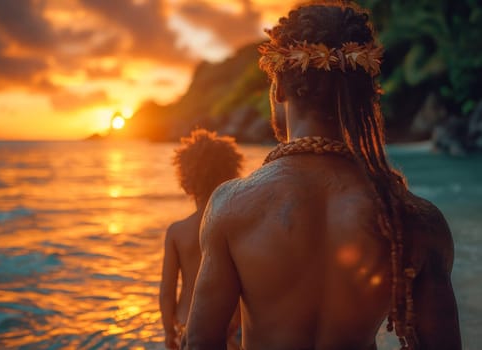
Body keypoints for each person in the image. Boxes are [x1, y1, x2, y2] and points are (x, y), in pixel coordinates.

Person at [184, 2, 462, 350]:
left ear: (280, 88)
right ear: (364, 93)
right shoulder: (415, 219)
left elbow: (200, 342)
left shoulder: (229, 206)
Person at [159, 128, 243, 350]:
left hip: (185, 325)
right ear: (230, 175)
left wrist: (169, 331)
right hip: (230, 326)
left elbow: (167, 292)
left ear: (185, 180)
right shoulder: (235, 228)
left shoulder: (177, 232)